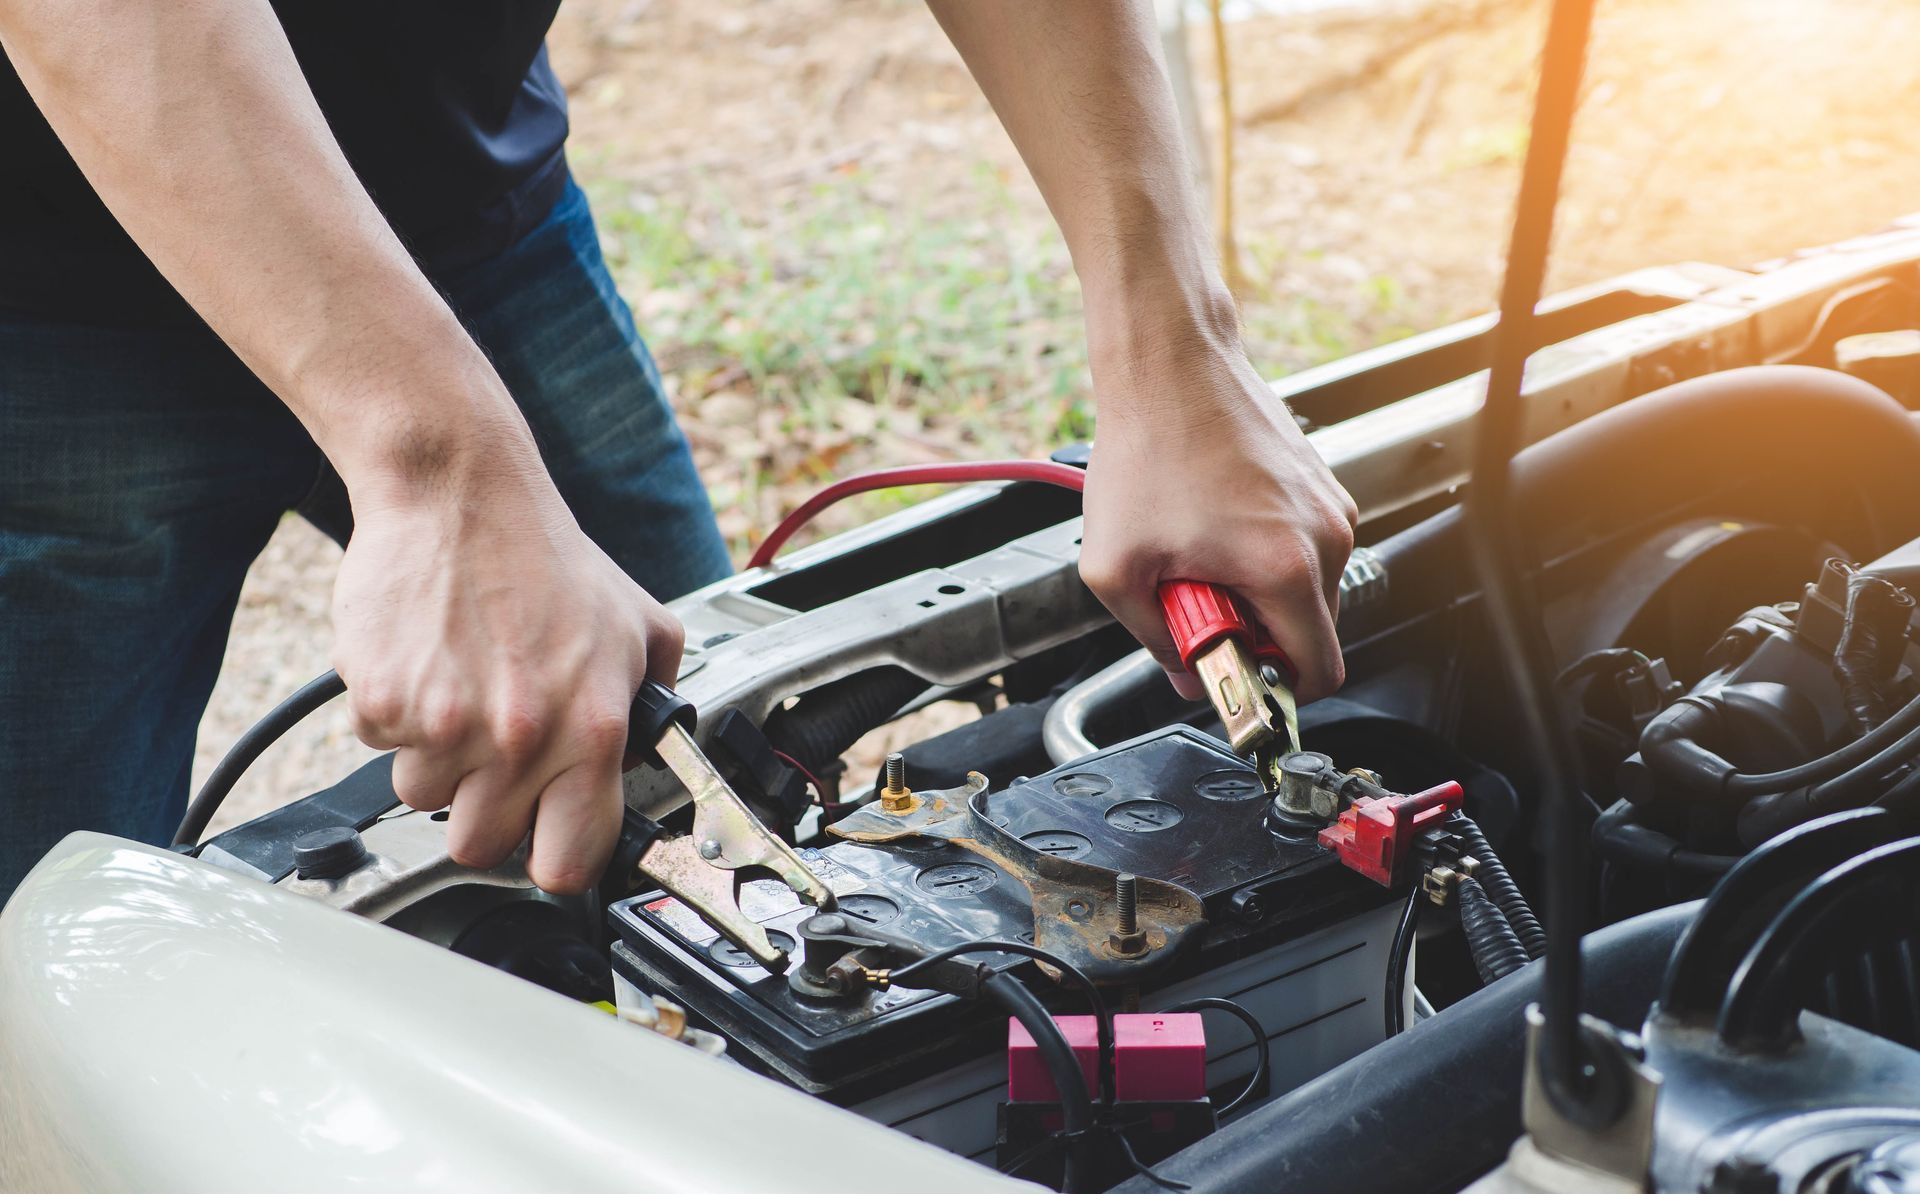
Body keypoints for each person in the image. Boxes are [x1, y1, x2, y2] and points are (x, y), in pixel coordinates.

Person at [0, 0, 1357, 901]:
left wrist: (1176, 345)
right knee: (41, 952)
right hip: (48, 302)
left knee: (717, 770)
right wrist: (437, 457)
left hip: (478, 206)